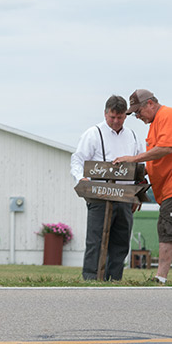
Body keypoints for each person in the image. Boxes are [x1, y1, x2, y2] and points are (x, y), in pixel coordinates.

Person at [113, 89, 172, 285]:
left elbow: (166, 148)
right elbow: (159, 158)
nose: (137, 116)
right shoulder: (157, 122)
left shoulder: (166, 116)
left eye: (138, 111)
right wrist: (142, 173)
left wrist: (133, 159)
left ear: (150, 104)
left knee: (168, 229)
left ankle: (160, 278)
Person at [70, 94, 144, 281]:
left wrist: (138, 192)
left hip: (125, 197)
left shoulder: (132, 136)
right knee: (96, 240)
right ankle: (91, 277)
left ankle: (114, 279)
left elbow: (140, 166)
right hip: (99, 196)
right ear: (105, 114)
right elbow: (77, 160)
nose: (116, 121)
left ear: (125, 116)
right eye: (112, 117)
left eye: (120, 117)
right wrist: (81, 178)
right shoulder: (93, 133)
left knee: (120, 241)